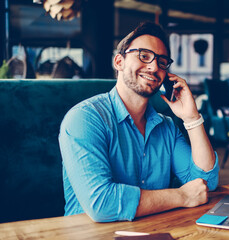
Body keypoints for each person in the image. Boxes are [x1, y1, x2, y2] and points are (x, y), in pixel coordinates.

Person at [58, 21, 219, 222]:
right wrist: (182, 196)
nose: (153, 66)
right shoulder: (84, 119)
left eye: (162, 62)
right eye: (143, 56)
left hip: (154, 232)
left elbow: (206, 183)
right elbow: (101, 203)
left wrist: (191, 118)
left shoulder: (167, 126)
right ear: (119, 62)